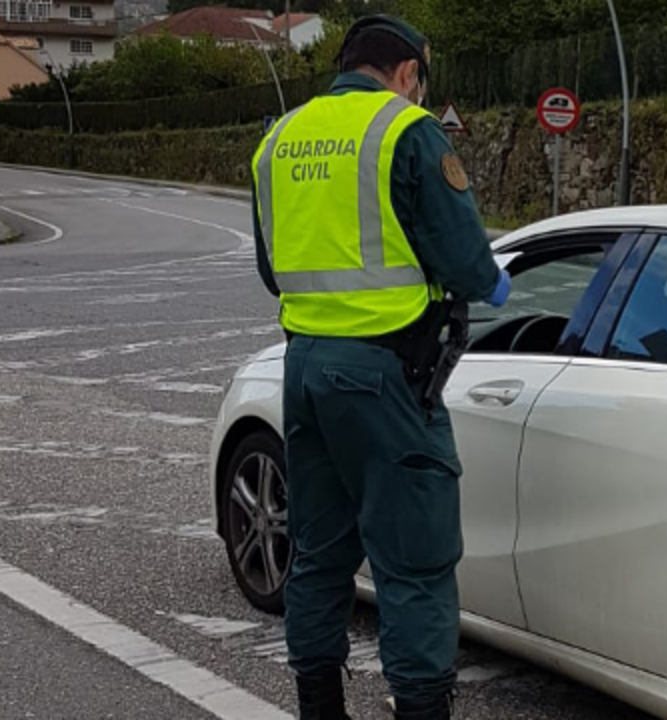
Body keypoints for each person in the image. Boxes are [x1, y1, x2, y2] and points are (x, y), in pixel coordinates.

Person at [249, 14, 511, 720]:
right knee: (415, 565)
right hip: (389, 372)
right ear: (406, 73)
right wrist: (494, 281)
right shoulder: (404, 129)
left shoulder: (279, 138)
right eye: (419, 83)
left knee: (320, 554)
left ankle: (320, 708)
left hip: (303, 368)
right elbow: (464, 260)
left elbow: (274, 270)